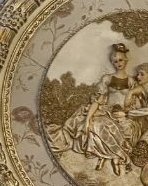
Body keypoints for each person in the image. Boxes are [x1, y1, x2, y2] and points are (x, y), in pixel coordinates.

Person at [46, 43, 140, 175]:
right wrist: (88, 119)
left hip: (122, 114)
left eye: (120, 60)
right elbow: (97, 101)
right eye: (115, 61)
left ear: (126, 59)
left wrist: (125, 113)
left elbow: (136, 104)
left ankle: (111, 158)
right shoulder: (107, 79)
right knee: (96, 125)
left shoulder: (131, 82)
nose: (118, 63)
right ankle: (110, 156)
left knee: (127, 128)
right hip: (106, 111)